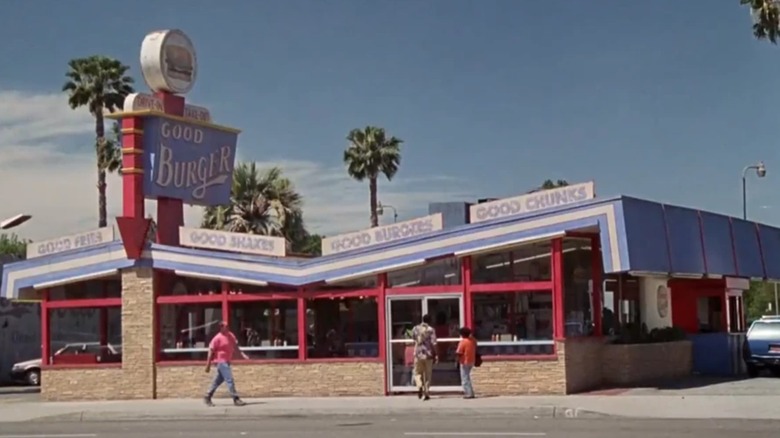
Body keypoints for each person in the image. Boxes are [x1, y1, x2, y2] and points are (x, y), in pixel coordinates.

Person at [204, 322, 249, 407]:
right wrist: (208, 364)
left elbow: (235, 346)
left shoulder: (230, 335)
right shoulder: (217, 338)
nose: (225, 328)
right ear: (220, 328)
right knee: (229, 379)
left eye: (226, 326)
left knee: (217, 381)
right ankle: (236, 398)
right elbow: (210, 350)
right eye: (223, 327)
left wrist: (242, 354)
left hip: (227, 360)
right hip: (221, 361)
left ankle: (207, 396)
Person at [412, 314, 437, 401]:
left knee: (417, 372)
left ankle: (419, 385)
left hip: (418, 354)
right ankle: (426, 393)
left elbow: (414, 339)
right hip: (428, 354)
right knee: (428, 374)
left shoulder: (415, 328)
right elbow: (434, 343)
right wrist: (436, 354)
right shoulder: (431, 330)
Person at [455, 326, 477, 399]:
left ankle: (468, 393)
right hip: (472, 360)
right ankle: (471, 392)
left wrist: (457, 360)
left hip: (464, 361)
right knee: (468, 377)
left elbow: (459, 352)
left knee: (464, 378)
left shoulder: (463, 342)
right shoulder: (473, 340)